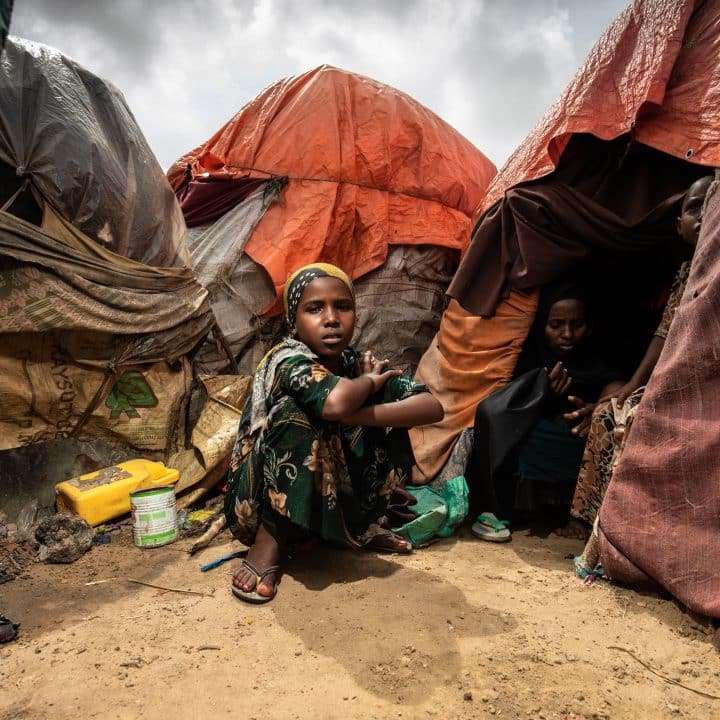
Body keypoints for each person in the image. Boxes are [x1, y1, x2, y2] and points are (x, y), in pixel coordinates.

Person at [224, 262, 444, 603]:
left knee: (379, 405)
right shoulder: (288, 360)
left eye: (342, 306)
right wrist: (367, 385)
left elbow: (431, 406)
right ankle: (270, 540)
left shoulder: (354, 363)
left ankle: (355, 526)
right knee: (296, 412)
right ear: (293, 323)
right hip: (258, 505)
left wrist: (362, 409)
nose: (331, 318)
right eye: (314, 309)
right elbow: (334, 403)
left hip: (335, 498)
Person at [559, 174, 714, 544]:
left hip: (704, 391)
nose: (704, 213)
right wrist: (631, 387)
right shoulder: (684, 273)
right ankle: (588, 522)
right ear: (679, 228)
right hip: (673, 383)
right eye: (694, 207)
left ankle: (634, 532)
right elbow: (664, 335)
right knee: (609, 411)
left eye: (713, 204)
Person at [467, 282, 615, 543]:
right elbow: (498, 412)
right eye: (556, 325)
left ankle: (580, 516)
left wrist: (599, 410)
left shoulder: (600, 363)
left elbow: (619, 387)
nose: (567, 334)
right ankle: (501, 508)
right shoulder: (525, 360)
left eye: (576, 324)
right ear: (541, 326)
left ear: (589, 327)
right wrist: (539, 395)